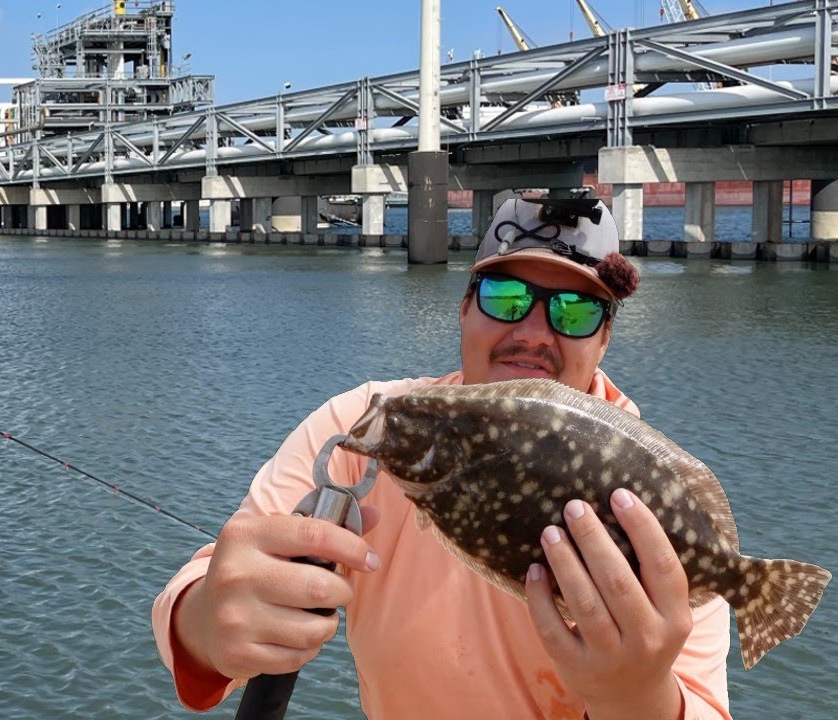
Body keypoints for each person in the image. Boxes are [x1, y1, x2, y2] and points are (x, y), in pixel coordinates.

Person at [152, 197, 732, 719]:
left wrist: (638, 697)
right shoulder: (377, 424)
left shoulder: (651, 494)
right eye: (505, 298)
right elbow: (203, 593)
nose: (533, 331)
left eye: (574, 312)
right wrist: (207, 619)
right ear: (464, 309)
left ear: (603, 338)